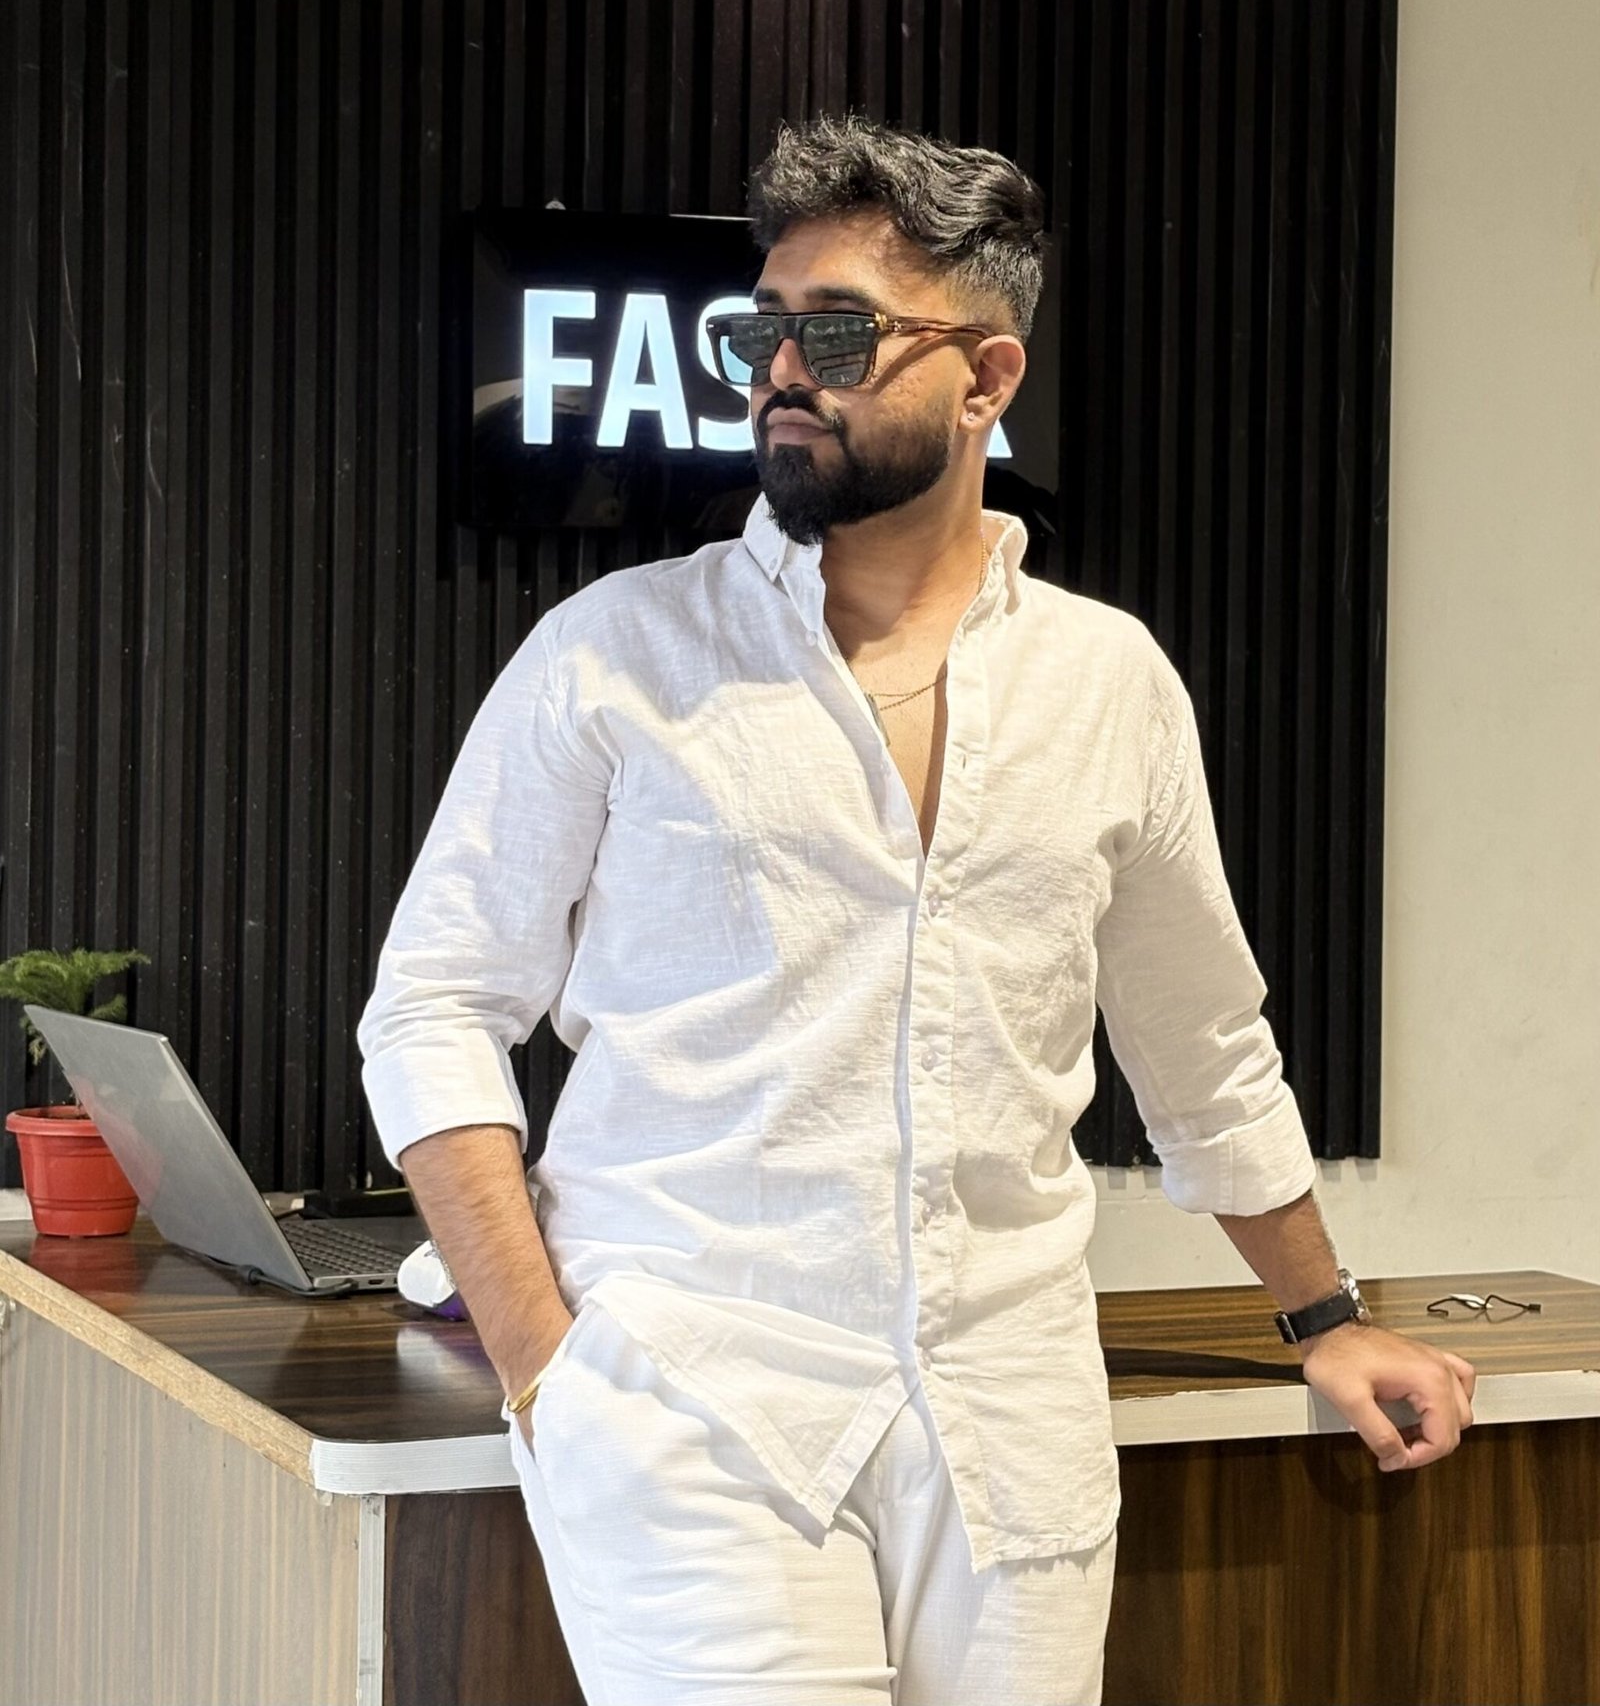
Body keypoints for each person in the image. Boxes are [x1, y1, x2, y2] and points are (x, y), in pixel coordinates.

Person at [356, 115, 1476, 1705]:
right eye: (761, 330)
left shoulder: (1109, 683)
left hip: (1012, 1423)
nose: (779, 371)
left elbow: (1204, 1045)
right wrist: (546, 1366)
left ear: (987, 380)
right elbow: (436, 1005)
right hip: (692, 1404)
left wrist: (1324, 1317)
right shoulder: (617, 654)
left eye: (839, 334)